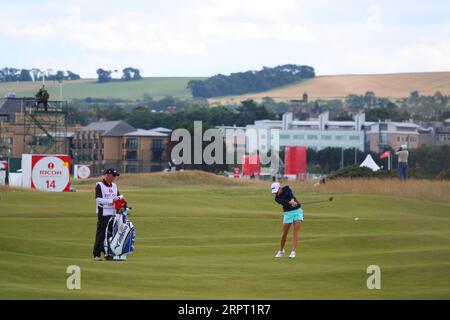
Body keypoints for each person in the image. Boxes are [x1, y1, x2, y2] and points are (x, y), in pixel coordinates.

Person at [93, 168, 121, 261]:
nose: (114, 178)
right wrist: (111, 200)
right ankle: (96, 254)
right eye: (114, 176)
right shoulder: (99, 185)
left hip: (113, 214)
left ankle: (108, 253)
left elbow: (118, 198)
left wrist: (122, 204)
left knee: (110, 235)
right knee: (101, 234)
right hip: (103, 214)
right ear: (108, 175)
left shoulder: (114, 186)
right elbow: (98, 200)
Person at [271, 182, 303, 259]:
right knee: (284, 234)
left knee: (295, 232)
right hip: (288, 213)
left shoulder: (287, 188)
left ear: (279, 188)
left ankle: (293, 251)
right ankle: (281, 251)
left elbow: (291, 195)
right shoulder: (277, 198)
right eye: (274, 192)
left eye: (276, 191)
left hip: (297, 211)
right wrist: (291, 202)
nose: (276, 193)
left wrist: (293, 201)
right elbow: (285, 202)